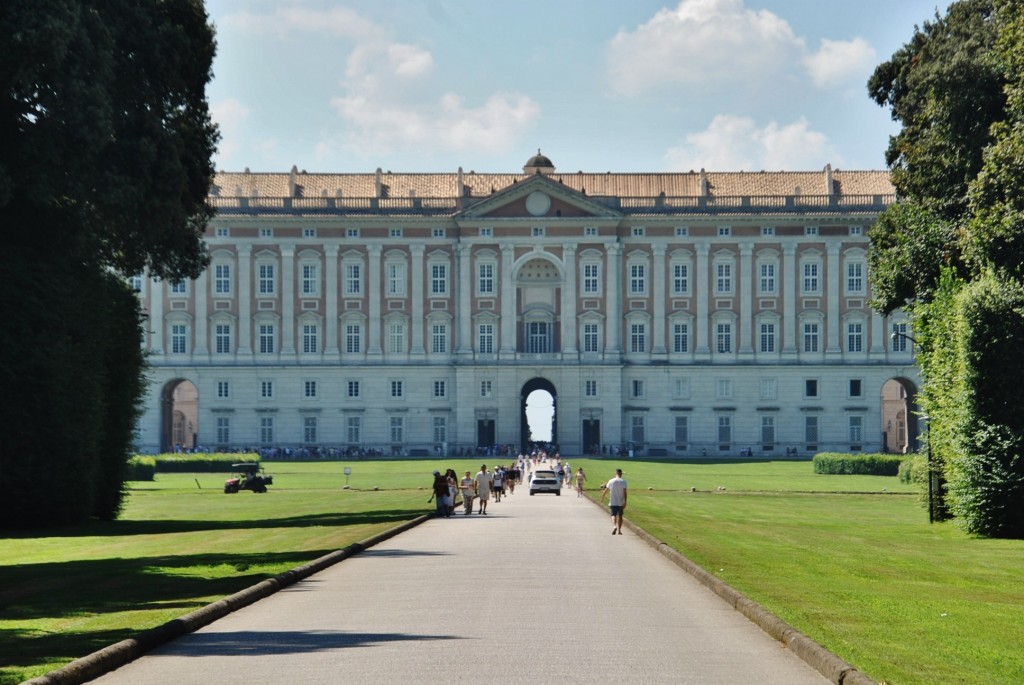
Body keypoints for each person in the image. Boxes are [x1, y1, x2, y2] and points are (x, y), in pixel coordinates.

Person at [600, 468, 628, 535]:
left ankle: (614, 526)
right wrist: (625, 501)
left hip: (613, 502)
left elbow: (606, 490)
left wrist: (602, 497)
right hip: (620, 502)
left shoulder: (611, 481)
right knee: (620, 516)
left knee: (613, 515)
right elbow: (625, 493)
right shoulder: (624, 482)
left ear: (616, 473)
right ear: (620, 474)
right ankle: (619, 530)